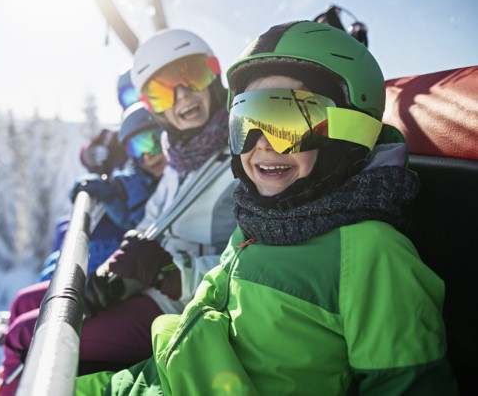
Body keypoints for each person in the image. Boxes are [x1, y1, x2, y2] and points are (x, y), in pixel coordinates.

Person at [76, 21, 458, 395]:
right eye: (246, 121)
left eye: (287, 121)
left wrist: (167, 278)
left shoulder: (371, 253)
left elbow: (406, 381)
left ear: (348, 129)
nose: (262, 143)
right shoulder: (257, 221)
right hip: (163, 373)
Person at [0, 29, 237, 396]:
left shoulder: (241, 158)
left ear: (214, 74)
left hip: (179, 304)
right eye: (162, 90)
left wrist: (169, 273)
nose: (182, 94)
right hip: (148, 287)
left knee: (34, 336)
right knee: (28, 304)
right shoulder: (179, 156)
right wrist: (117, 272)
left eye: (192, 75)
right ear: (153, 106)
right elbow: (148, 224)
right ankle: (7, 384)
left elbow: (243, 262)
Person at [39, 102, 166, 281]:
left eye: (155, 143)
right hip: (116, 240)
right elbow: (91, 153)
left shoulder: (169, 178)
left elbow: (141, 223)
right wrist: (91, 157)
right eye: (138, 148)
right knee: (61, 245)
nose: (148, 155)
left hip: (125, 252)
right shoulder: (134, 169)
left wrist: (111, 197)